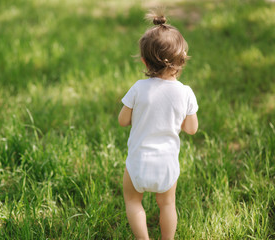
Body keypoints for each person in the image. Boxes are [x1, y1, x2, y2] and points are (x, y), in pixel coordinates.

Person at [118, 11, 199, 240]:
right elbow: (191, 128)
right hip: (166, 166)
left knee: (133, 202)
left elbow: (123, 120)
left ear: (144, 61)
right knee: (167, 205)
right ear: (182, 59)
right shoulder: (185, 93)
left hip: (138, 163)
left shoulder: (138, 88)